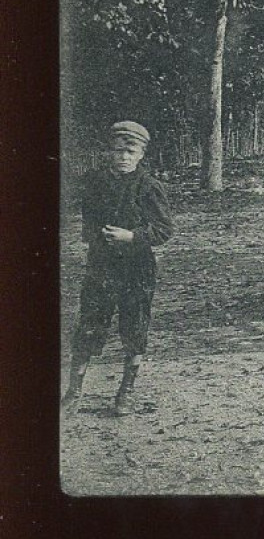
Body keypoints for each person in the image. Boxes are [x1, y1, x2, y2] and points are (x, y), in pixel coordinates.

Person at [62, 121, 174, 415]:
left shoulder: (149, 186)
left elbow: (163, 229)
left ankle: (126, 392)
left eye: (130, 151)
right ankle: (73, 392)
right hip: (101, 265)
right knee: (89, 324)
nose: (123, 156)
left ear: (141, 154)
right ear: (108, 152)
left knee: (134, 326)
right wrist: (97, 237)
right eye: (117, 150)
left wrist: (132, 236)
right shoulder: (95, 182)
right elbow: (88, 218)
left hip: (137, 268)